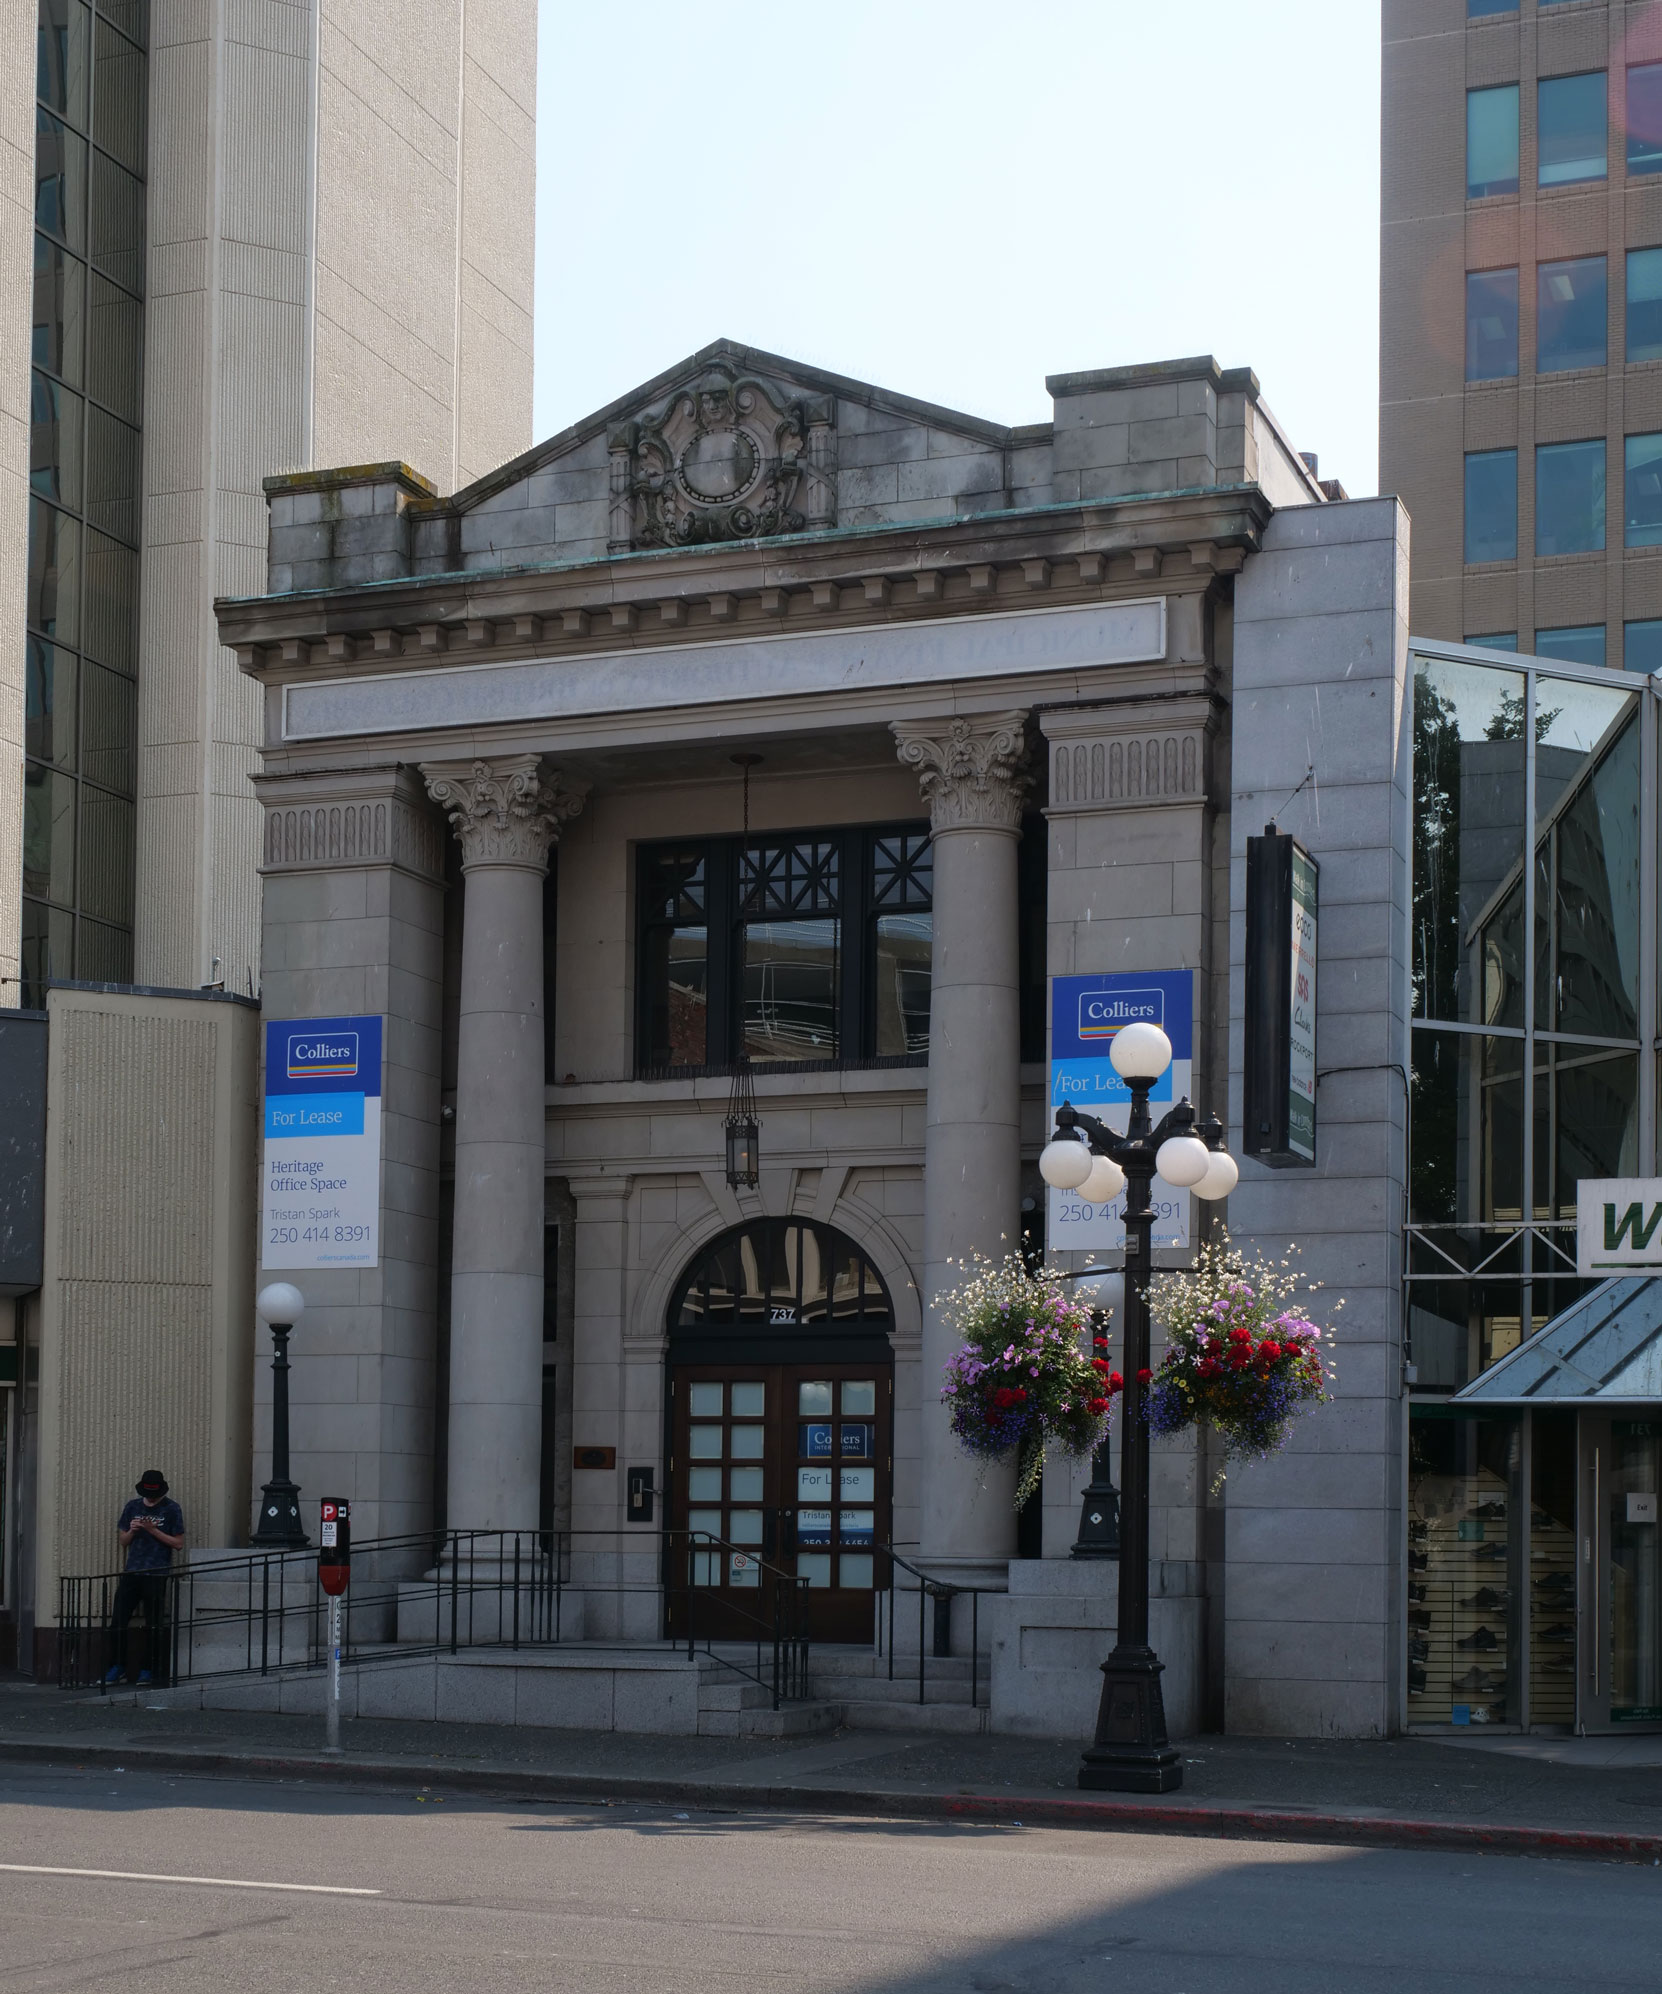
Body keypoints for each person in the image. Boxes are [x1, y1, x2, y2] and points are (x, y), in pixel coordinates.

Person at [105, 1470, 185, 1686]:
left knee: (154, 1624)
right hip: (132, 1571)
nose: (150, 1497)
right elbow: (123, 1540)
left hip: (156, 1573)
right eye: (148, 1493)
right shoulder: (133, 1507)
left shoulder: (171, 1508)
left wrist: (152, 1530)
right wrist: (132, 1530)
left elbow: (178, 1543)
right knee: (118, 1621)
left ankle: (148, 1670)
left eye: (154, 1493)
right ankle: (117, 1666)